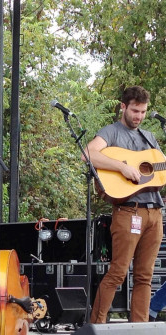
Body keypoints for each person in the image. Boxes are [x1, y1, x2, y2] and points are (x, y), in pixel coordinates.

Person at [82, 86, 164, 323]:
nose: (139, 116)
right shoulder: (111, 132)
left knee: (144, 277)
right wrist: (122, 167)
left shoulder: (149, 137)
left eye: (143, 112)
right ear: (123, 107)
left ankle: (140, 328)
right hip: (129, 211)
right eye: (135, 111)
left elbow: (159, 169)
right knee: (118, 273)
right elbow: (88, 154)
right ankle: (96, 325)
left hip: (154, 213)